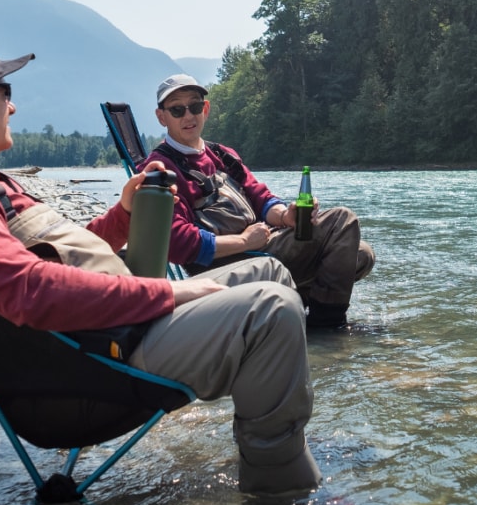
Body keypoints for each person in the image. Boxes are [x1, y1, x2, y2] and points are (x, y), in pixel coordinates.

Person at [0, 32, 320, 496]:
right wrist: (170, 291)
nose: (13, 107)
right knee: (271, 309)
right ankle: (281, 493)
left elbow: (60, 255)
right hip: (90, 374)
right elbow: (30, 290)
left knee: (272, 272)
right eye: (6, 94)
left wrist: (123, 216)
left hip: (106, 336)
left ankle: (268, 445)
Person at [142, 74, 375, 329]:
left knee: (361, 254)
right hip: (225, 265)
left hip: (260, 246)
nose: (188, 116)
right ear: (161, 117)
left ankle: (296, 310)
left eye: (195, 106)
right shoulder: (159, 169)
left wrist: (287, 216)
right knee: (342, 220)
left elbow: (261, 198)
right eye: (177, 109)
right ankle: (326, 327)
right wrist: (243, 241)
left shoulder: (222, 154)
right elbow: (175, 243)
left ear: (205, 110)